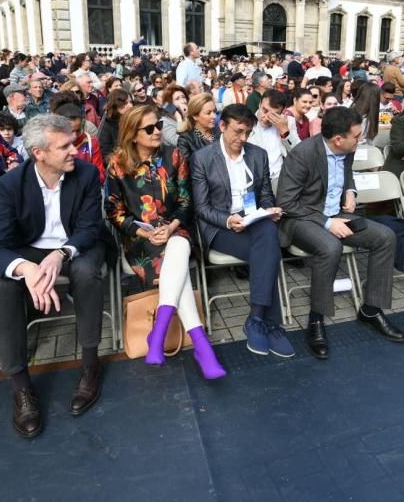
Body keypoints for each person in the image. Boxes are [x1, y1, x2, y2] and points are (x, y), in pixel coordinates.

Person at [0, 115, 107, 437]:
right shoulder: (12, 185)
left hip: (75, 246)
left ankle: (90, 366)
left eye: (73, 143)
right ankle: (21, 388)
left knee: (86, 270)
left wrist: (61, 253)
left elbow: (91, 229)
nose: (74, 152)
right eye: (64, 146)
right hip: (30, 251)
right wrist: (28, 269)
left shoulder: (87, 174)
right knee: (2, 283)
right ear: (38, 152)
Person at [106, 105, 226, 378]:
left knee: (179, 245)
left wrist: (171, 226)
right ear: (132, 134)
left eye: (158, 124)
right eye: (149, 128)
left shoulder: (175, 155)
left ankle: (159, 334)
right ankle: (201, 345)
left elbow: (186, 202)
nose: (158, 131)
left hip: (176, 229)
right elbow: (113, 210)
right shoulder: (117, 163)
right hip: (140, 239)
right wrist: (145, 232)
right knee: (178, 269)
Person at [277, 107, 404, 359]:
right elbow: (286, 203)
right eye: (356, 136)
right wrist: (327, 222)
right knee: (330, 247)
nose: (360, 140)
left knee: (386, 237)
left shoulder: (346, 149)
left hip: (337, 214)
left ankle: (371, 309)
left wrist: (351, 191)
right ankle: (316, 320)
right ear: (338, 139)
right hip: (303, 218)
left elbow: (346, 175)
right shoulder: (303, 154)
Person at [190, 104, 292, 357]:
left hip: (253, 222)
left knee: (268, 232)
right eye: (238, 132)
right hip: (220, 226)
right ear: (222, 126)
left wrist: (269, 210)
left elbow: (266, 194)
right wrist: (227, 220)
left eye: (247, 132)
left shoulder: (257, 155)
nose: (243, 138)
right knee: (269, 252)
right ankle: (270, 323)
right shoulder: (203, 159)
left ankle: (257, 318)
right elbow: (201, 208)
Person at [248, 89, 295, 187]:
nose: (266, 117)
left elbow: (299, 152)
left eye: (273, 115)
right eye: (264, 110)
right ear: (260, 104)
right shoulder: (248, 122)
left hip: (279, 176)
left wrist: (285, 131)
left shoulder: (288, 122)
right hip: (254, 177)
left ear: (282, 112)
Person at [177, 93, 218, 160]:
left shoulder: (220, 133)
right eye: (208, 113)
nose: (214, 116)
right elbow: (187, 167)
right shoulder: (185, 140)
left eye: (214, 111)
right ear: (195, 116)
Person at [98, 88, 132, 158]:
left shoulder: (134, 120)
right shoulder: (106, 126)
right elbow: (105, 154)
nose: (130, 106)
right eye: (125, 103)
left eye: (131, 102)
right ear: (115, 105)